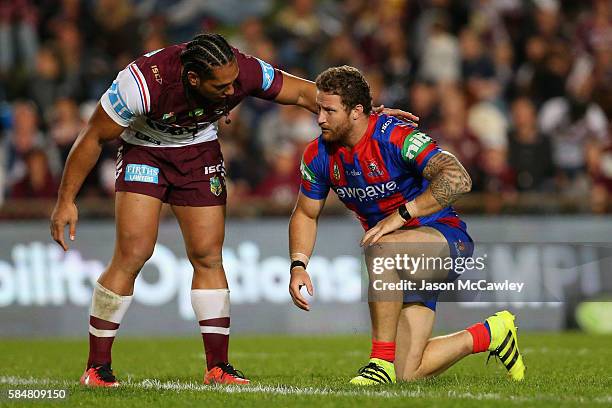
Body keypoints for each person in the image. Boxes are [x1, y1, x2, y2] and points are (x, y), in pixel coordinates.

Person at [49, 33, 417, 387]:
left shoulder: (244, 70)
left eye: (233, 84)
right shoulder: (140, 84)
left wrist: (365, 117)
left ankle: (218, 367)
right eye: (221, 87)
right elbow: (92, 136)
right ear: (193, 78)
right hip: (145, 150)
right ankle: (97, 367)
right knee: (133, 252)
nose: (231, 92)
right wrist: (67, 200)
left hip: (198, 152)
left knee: (209, 256)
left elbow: (305, 93)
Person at [288, 66, 525, 385]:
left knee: (381, 249)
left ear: (356, 112)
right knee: (409, 372)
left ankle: (378, 363)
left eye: (329, 110)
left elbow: (458, 179)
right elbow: (305, 213)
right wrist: (298, 264)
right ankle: (491, 333)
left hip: (444, 240)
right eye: (319, 109)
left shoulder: (394, 136)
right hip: (400, 262)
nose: (319, 119)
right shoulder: (318, 155)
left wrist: (401, 215)